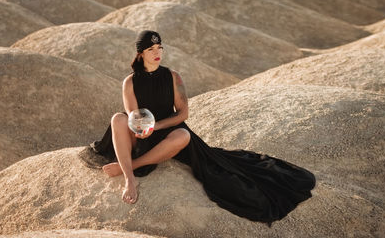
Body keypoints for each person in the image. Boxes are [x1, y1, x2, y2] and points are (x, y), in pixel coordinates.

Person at [88, 30, 315, 224]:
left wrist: (157, 127)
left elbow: (183, 113)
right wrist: (143, 129)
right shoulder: (130, 82)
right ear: (140, 54)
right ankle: (129, 178)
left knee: (183, 136)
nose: (157, 53)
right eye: (151, 49)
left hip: (163, 130)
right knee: (117, 119)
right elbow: (133, 116)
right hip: (140, 131)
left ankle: (129, 165)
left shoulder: (173, 77)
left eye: (159, 48)